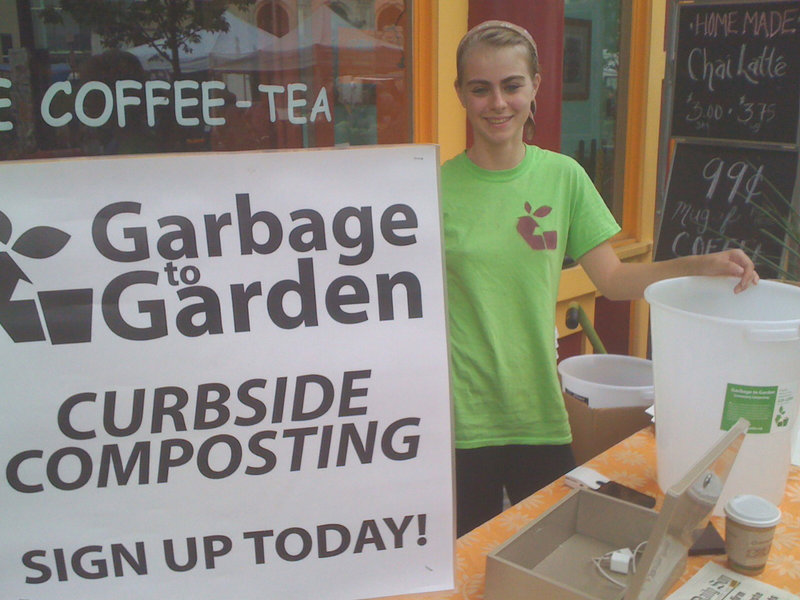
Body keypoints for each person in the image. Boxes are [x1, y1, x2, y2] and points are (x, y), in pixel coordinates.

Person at [441, 20, 759, 537]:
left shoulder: (564, 177)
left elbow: (613, 280)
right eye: (480, 88)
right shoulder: (433, 187)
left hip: (538, 410)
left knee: (548, 551)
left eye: (511, 85)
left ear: (536, 86)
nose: (497, 103)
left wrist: (698, 266)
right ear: (461, 93)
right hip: (459, 420)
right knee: (466, 565)